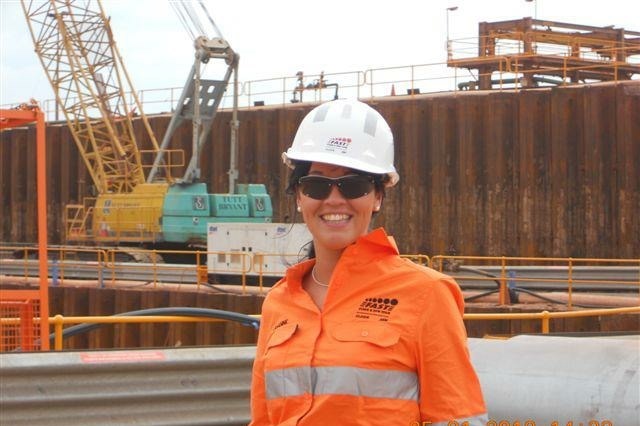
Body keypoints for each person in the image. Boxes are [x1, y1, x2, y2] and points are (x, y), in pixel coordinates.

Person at [249, 99, 487, 425]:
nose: (334, 199)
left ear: (377, 197)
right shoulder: (279, 302)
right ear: (299, 197)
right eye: (317, 184)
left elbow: (458, 417)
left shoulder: (426, 294)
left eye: (354, 185)